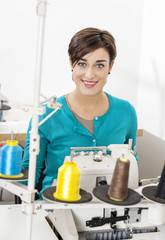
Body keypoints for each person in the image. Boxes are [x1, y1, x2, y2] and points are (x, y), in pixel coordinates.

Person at [2, 27, 138, 198]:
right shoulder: (47, 114)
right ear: (71, 63)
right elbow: (29, 174)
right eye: (82, 63)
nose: (90, 74)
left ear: (110, 66)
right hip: (55, 208)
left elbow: (132, 166)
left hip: (109, 210)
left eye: (99, 65)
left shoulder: (126, 112)